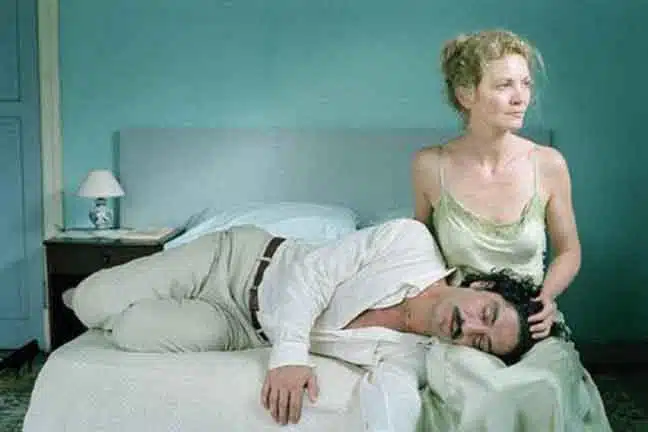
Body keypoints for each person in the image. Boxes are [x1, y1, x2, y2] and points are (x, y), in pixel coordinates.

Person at [72, 219, 544, 429]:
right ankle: (81, 297)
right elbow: (310, 276)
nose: (471, 327)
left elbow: (395, 397)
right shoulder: (409, 242)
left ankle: (119, 314)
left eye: (482, 342)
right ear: (483, 287)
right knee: (91, 303)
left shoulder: (415, 354)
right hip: (237, 262)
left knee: (133, 330)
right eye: (488, 314)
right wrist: (289, 359)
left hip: (240, 329)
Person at [411, 29, 610, 429]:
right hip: (467, 326)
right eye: (504, 85)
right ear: (466, 95)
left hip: (531, 320)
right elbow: (418, 249)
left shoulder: (548, 164)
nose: (521, 97)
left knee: (544, 389)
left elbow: (569, 250)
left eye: (526, 84)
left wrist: (546, 298)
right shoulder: (430, 166)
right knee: (482, 396)